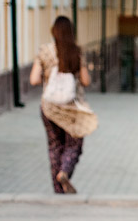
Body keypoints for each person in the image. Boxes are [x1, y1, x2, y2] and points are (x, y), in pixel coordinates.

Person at [29, 16, 92, 194]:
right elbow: (86, 81)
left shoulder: (45, 51)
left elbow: (33, 79)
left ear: (53, 31)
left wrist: (48, 77)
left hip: (49, 107)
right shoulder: (76, 51)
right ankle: (64, 172)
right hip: (72, 108)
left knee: (54, 146)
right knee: (74, 144)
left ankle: (58, 191)